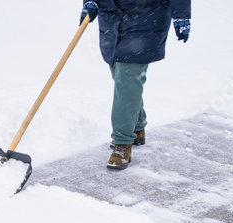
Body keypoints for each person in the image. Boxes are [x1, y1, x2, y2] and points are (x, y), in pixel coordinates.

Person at [80, 0, 191, 169]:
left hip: (145, 17)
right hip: (111, 17)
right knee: (122, 77)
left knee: (126, 79)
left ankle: (122, 142)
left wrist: (181, 15)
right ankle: (137, 127)